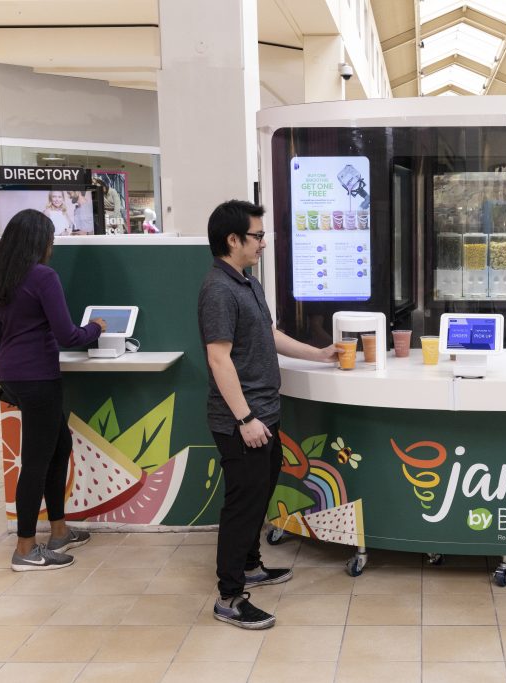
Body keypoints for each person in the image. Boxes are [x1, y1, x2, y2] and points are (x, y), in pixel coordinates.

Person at [198, 200, 337, 629]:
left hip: (265, 413)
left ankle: (253, 565)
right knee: (243, 504)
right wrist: (244, 420)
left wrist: (318, 354)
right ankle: (229, 596)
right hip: (243, 422)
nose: (263, 243)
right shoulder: (218, 290)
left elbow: (269, 335)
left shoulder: (248, 283)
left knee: (260, 494)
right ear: (232, 240)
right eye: (257, 236)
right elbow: (219, 359)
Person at [0, 209, 107, 571]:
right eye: (51, 239)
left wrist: (10, 364)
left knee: (58, 448)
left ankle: (59, 531)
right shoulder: (42, 276)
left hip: (13, 376)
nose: (52, 247)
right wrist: (97, 328)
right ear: (40, 242)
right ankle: (25, 549)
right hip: (39, 377)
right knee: (37, 461)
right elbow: (69, 335)